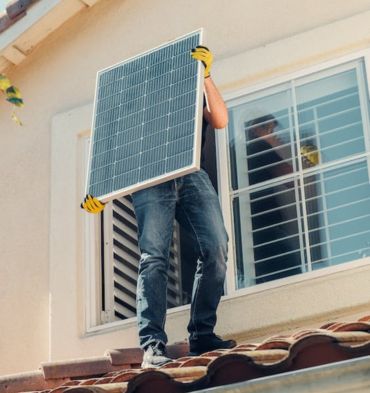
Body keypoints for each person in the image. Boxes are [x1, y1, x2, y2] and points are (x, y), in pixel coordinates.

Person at [81, 45, 236, 368]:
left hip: (191, 174)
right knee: (154, 258)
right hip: (149, 181)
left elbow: (219, 119)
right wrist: (99, 192)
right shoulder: (134, 110)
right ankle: (152, 346)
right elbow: (110, 146)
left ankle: (202, 334)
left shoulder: (189, 91)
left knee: (217, 246)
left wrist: (206, 76)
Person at [245, 114, 318, 283]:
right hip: (266, 227)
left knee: (268, 277)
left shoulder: (248, 152)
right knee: (292, 273)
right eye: (269, 129)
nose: (274, 134)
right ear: (256, 130)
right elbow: (291, 179)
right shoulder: (260, 146)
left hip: (257, 228)